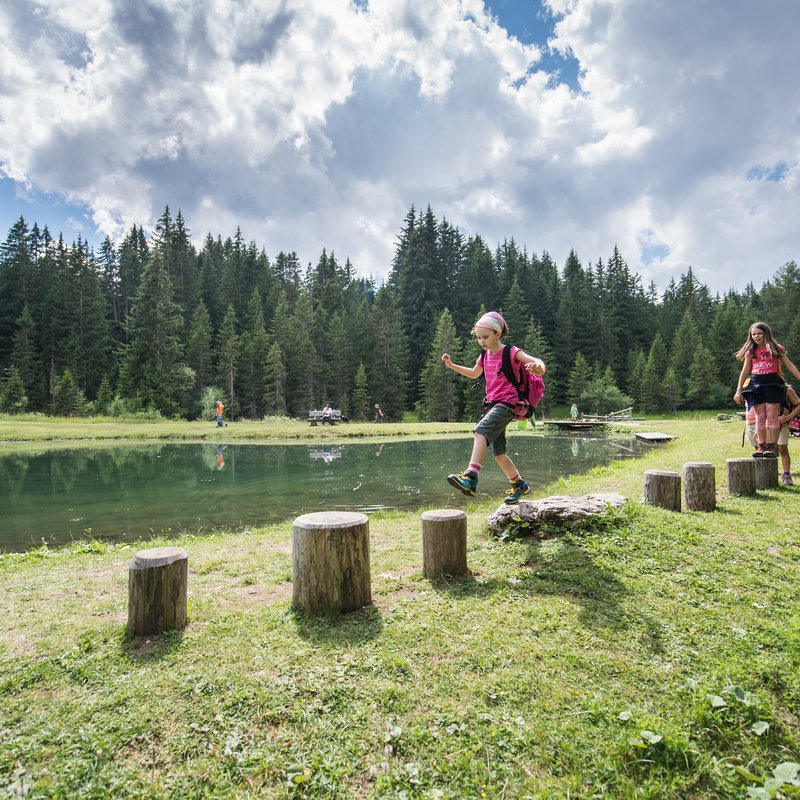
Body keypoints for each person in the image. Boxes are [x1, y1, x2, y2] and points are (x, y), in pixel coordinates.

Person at [442, 310, 546, 504]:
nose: (482, 341)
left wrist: (537, 367)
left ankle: (471, 476)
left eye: (485, 337)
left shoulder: (512, 352)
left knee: (480, 431)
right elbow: (474, 374)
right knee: (499, 454)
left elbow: (539, 363)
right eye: (479, 337)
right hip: (494, 405)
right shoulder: (484, 356)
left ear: (498, 334)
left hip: (509, 404)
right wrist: (452, 366)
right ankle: (519, 485)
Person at [733, 322, 800, 459]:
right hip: (756, 385)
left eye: (759, 333)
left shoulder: (776, 348)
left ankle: (771, 445)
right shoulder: (751, 352)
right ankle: (761, 445)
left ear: (766, 334)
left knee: (772, 416)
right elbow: (745, 371)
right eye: (753, 334)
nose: (756, 336)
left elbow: (789, 365)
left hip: (772, 384)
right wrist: (739, 390)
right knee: (760, 417)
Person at [777, 384, 800, 485]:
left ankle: (786, 474)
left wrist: (788, 417)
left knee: (782, 449)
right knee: (766, 450)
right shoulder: (761, 387)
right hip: (765, 427)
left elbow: (799, 404)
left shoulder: (787, 390)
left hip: (783, 425)